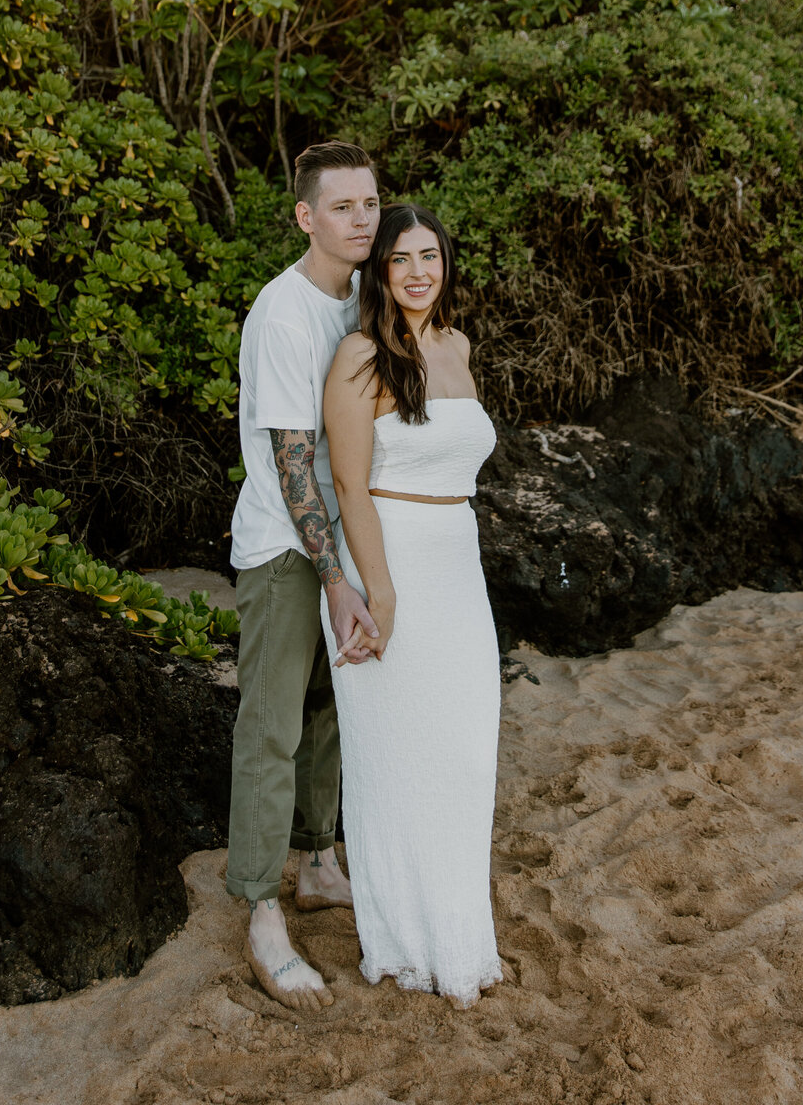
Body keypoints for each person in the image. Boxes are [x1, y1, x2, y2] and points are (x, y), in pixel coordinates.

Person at [321, 202, 502, 1007]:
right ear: (379, 272)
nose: (419, 272)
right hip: (389, 560)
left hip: (458, 563)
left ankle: (461, 928)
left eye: (430, 256)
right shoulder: (361, 355)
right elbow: (349, 484)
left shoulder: (458, 347)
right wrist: (378, 593)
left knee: (464, 755)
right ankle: (403, 940)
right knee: (395, 757)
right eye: (401, 259)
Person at [226, 140, 382, 1010]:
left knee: (332, 709)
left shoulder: (360, 294)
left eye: (370, 204)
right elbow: (294, 468)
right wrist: (334, 578)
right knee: (272, 725)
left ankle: (320, 860)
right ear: (305, 216)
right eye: (342, 207)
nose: (360, 219)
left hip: (343, 540)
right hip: (287, 547)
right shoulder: (283, 316)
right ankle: (258, 907)